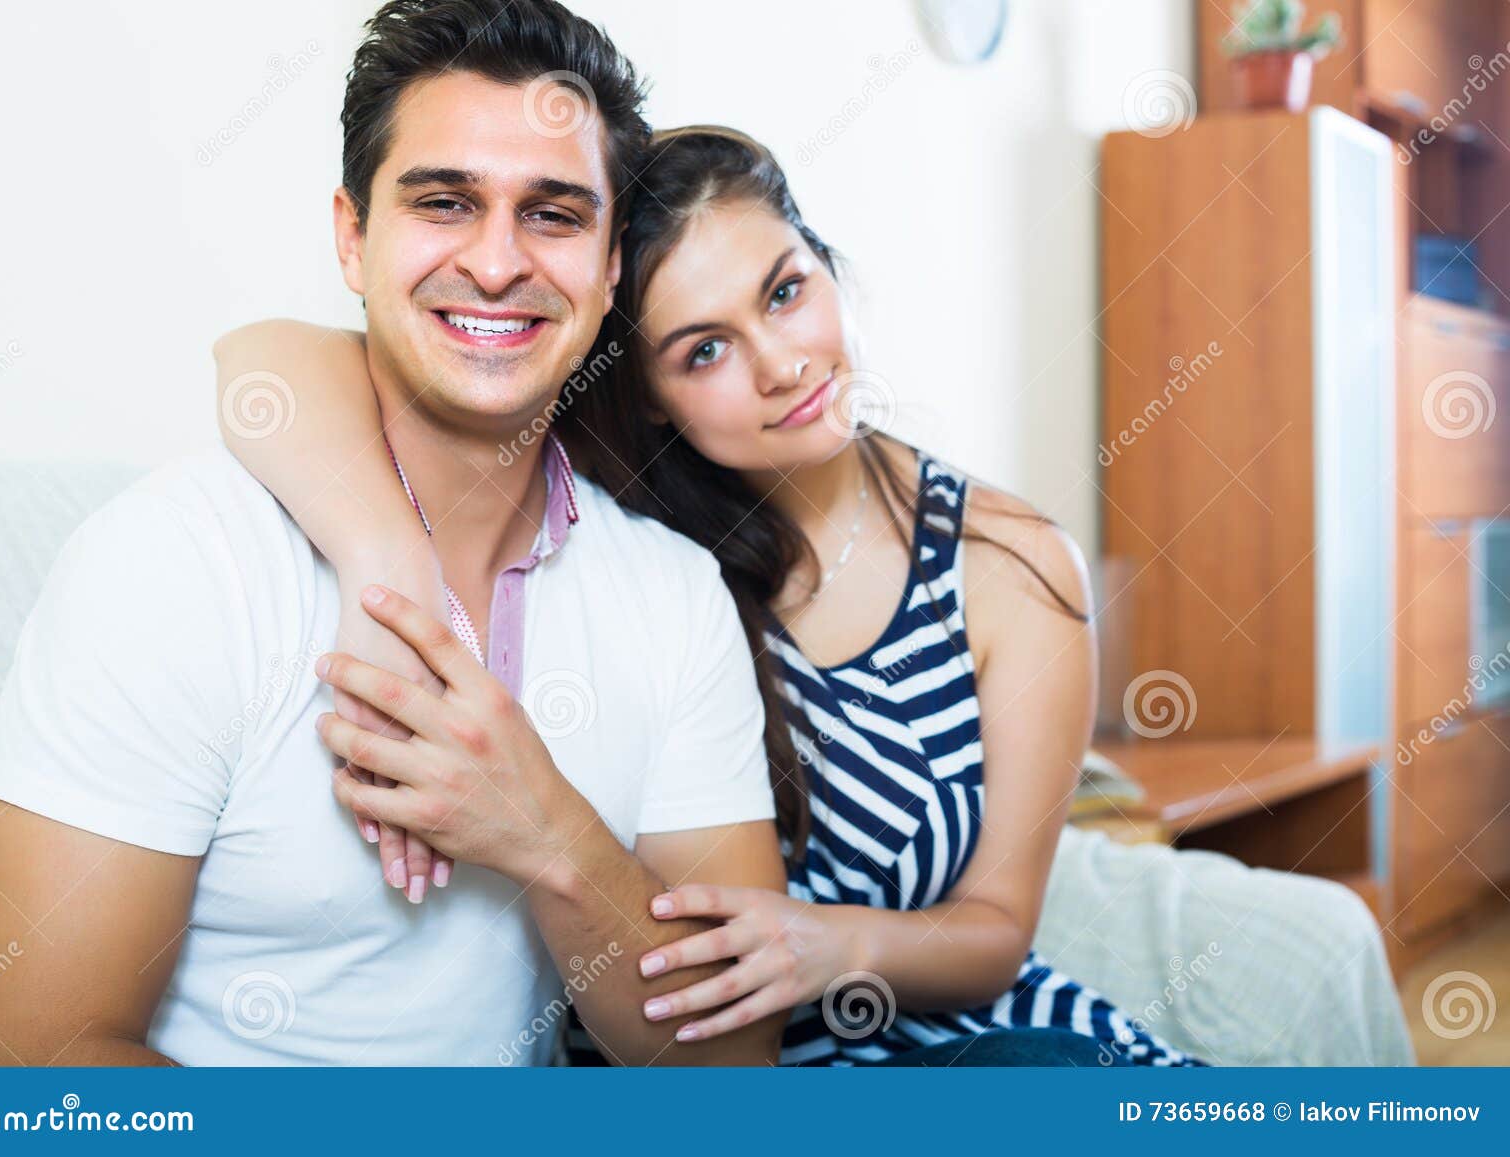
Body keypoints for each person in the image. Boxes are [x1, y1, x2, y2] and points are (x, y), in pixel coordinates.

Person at [211, 119, 1205, 1067]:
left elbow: (995, 932)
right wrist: (387, 560)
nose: (781, 364)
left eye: (785, 291)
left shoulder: (1007, 560)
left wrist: (825, 942)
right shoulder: (611, 538)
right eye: (705, 350)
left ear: (826, 264)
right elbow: (259, 362)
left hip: (961, 1051)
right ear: (646, 393)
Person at [0, 0, 790, 1067]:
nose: (497, 263)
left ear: (612, 267)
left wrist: (551, 835)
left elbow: (728, 1070)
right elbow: (27, 1073)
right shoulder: (173, 563)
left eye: (553, 215)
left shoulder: (673, 596)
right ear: (353, 238)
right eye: (444, 202)